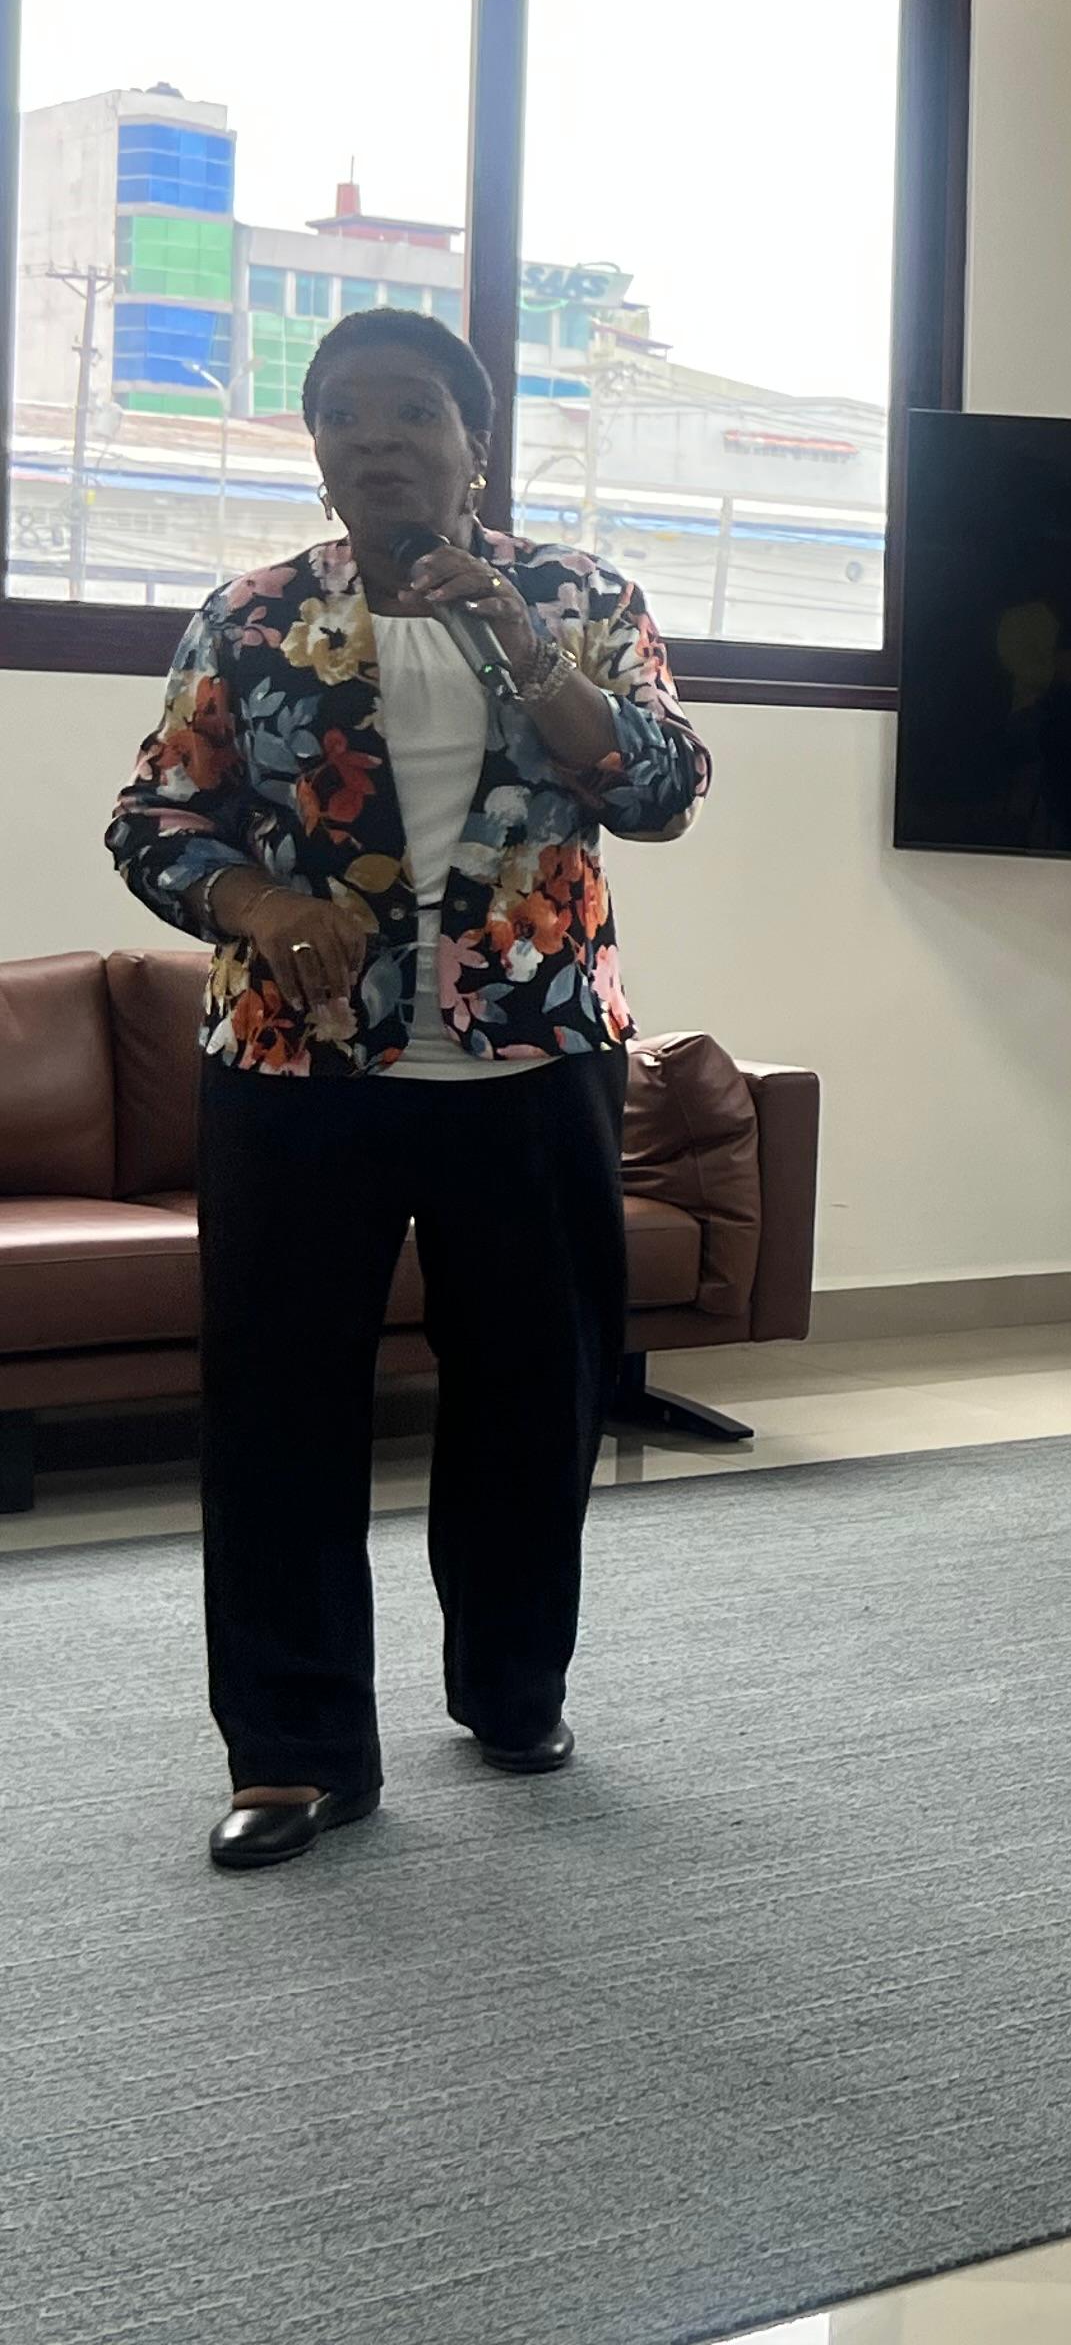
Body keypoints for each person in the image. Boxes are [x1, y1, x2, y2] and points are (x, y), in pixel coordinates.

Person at [104, 307, 712, 1871]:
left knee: (536, 1394)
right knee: (278, 1407)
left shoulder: (580, 598)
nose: (379, 439)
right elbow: (157, 820)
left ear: (474, 444)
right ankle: (294, 1752)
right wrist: (259, 905)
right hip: (296, 1070)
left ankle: (513, 1691)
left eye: (413, 413)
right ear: (317, 454)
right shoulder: (250, 618)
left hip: (535, 1057)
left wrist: (521, 641)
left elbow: (657, 789)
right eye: (347, 417)